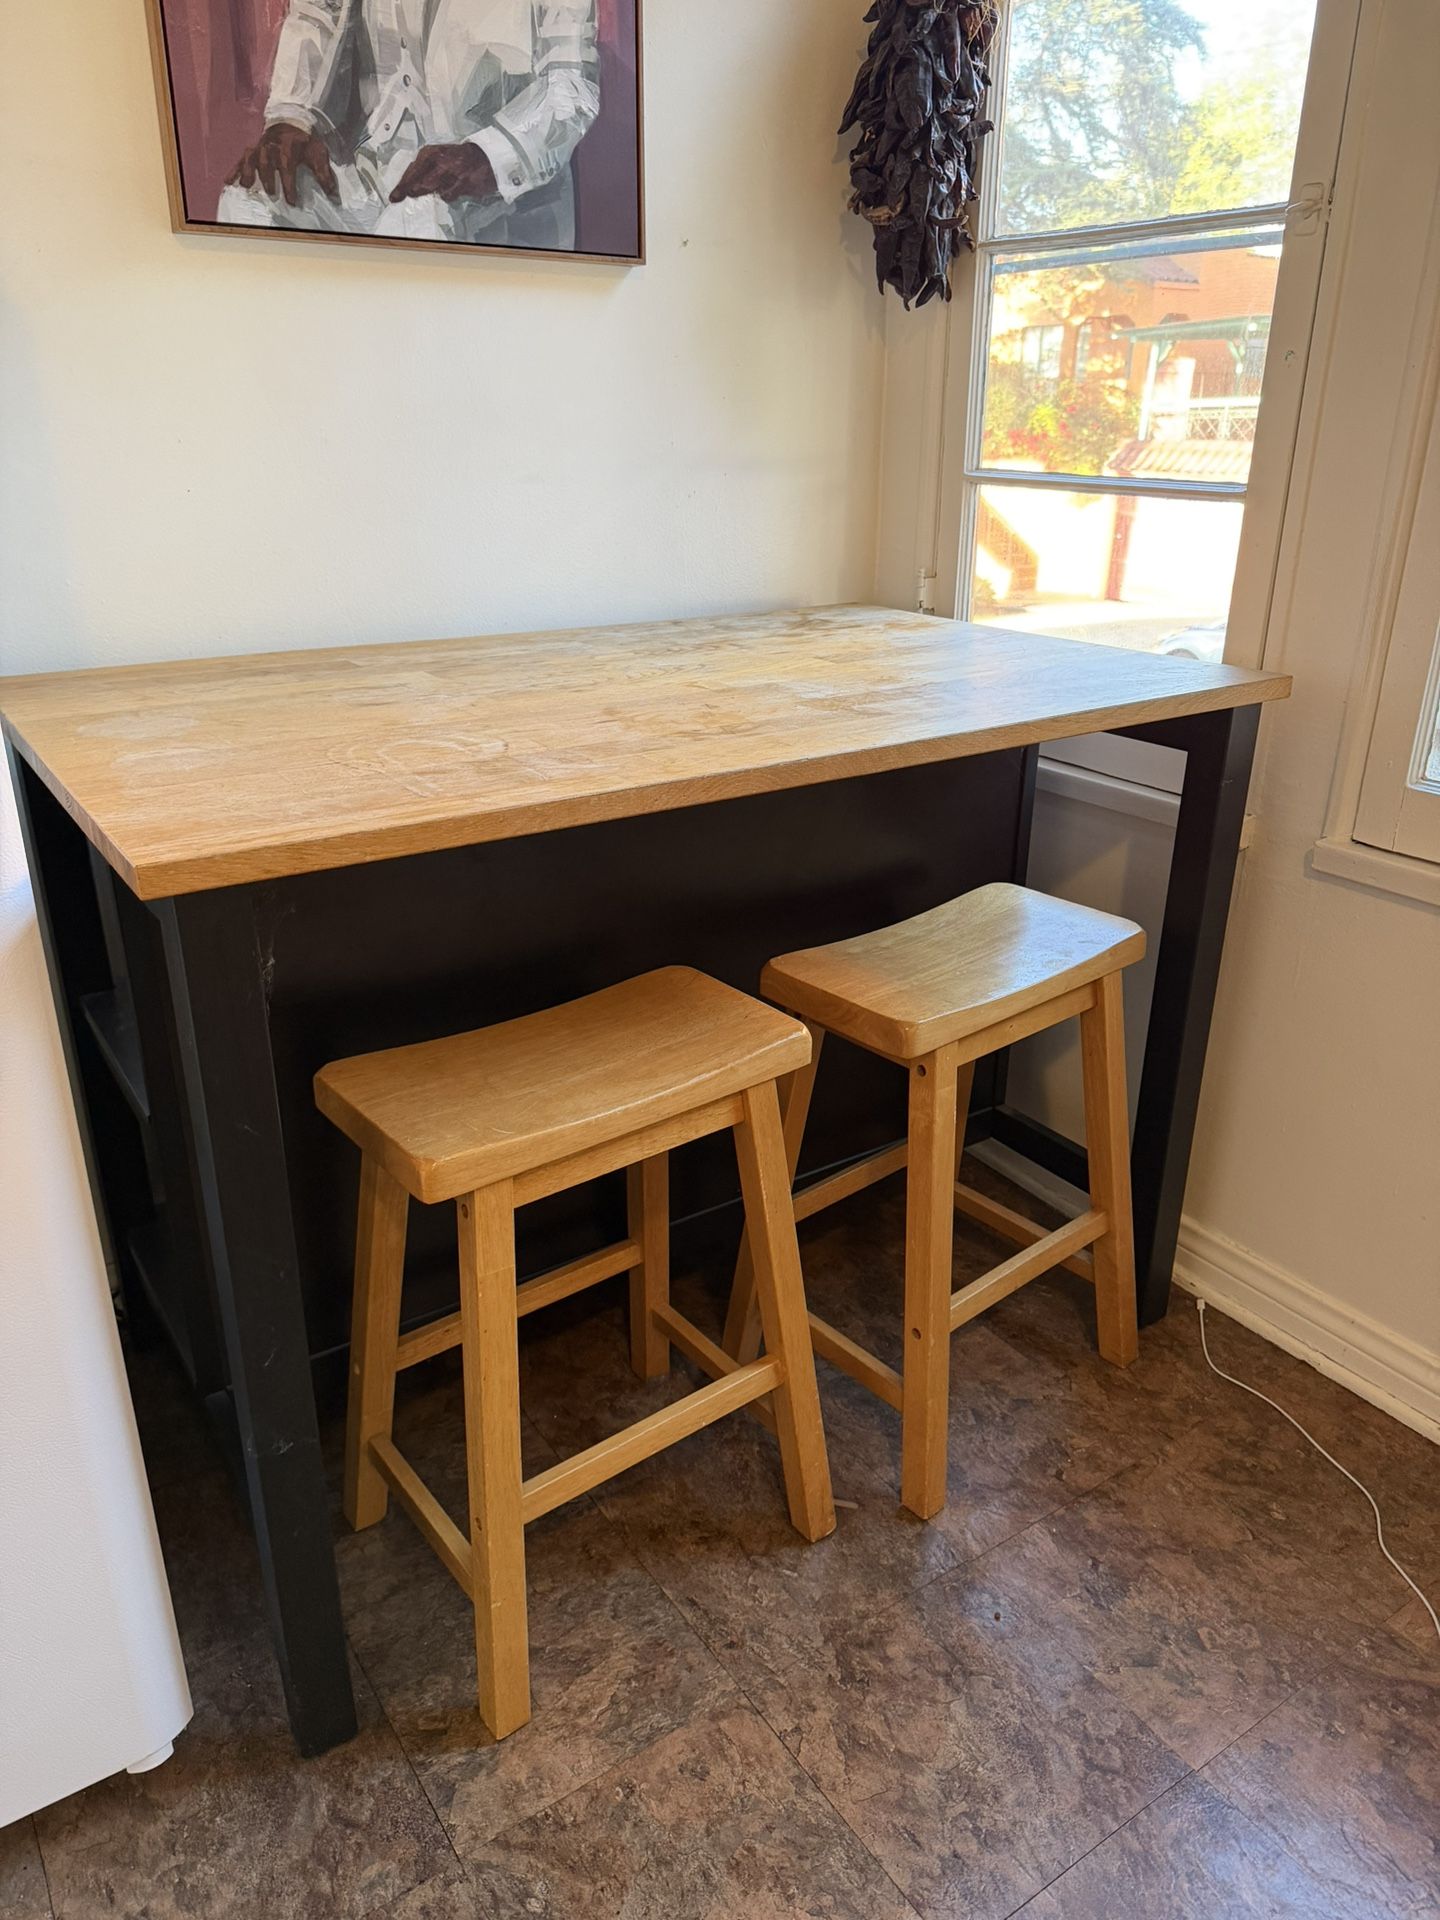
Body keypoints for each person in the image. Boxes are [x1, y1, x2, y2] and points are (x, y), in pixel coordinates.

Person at [220, 1, 600, 249]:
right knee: (251, 196)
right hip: (376, 172)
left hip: (500, 193)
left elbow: (570, 87)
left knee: (417, 221)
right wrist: (291, 116)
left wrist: (486, 155)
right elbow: (318, 11)